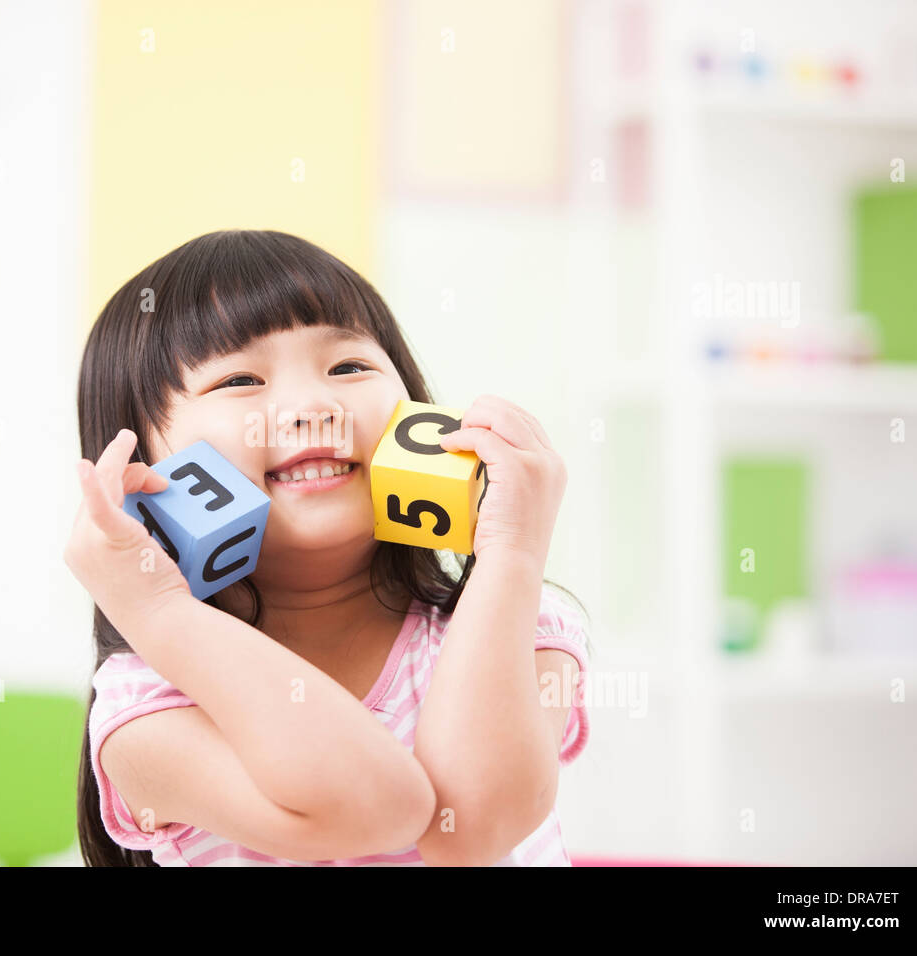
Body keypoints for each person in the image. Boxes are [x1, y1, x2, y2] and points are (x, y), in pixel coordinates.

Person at [64, 229, 592, 866]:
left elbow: (470, 831)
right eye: (238, 380)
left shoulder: (519, 624)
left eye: (349, 367)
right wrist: (157, 614)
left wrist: (511, 551)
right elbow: (378, 807)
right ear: (142, 461)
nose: (315, 404)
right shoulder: (147, 707)